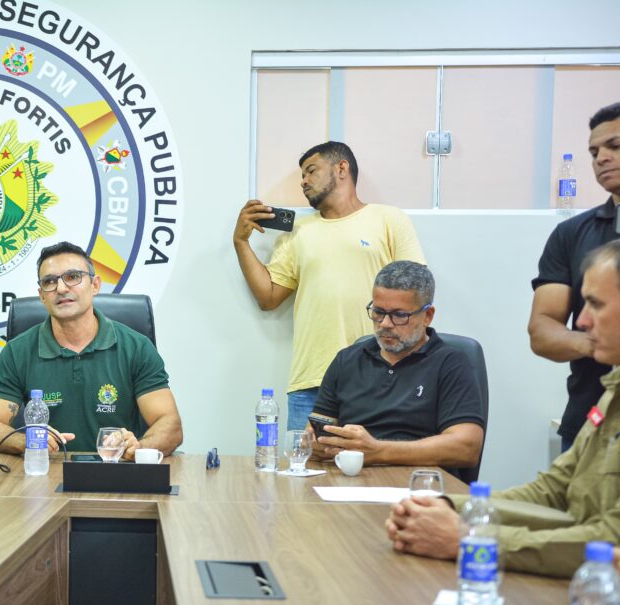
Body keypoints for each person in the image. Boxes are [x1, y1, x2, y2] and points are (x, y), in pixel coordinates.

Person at [388, 240, 620, 578]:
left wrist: (471, 539)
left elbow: (610, 538)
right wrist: (445, 505)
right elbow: (552, 490)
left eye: (595, 304)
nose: (581, 321)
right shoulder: (612, 391)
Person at [232, 141, 425, 431]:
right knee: (303, 462)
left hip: (381, 375)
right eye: (302, 176)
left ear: (342, 168)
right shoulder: (298, 231)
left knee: (380, 460)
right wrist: (240, 242)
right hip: (312, 382)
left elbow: (418, 289)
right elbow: (268, 297)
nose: (303, 181)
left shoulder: (389, 219)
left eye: (311, 171)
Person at [0, 241, 183, 459]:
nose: (61, 288)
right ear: (42, 296)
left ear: (95, 285)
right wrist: (28, 441)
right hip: (45, 472)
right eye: (49, 281)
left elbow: (170, 425)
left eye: (73, 277)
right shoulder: (17, 352)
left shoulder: (136, 347)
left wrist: (138, 448)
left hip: (116, 470)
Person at [309, 261, 484, 475]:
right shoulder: (347, 360)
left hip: (420, 484)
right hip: (350, 479)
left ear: (427, 316)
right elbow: (318, 429)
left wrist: (378, 451)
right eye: (378, 312)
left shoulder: (451, 363)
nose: (384, 323)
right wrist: (316, 443)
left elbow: (466, 448)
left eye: (399, 315)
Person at [529, 102, 620, 453]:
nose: (601, 158)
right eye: (594, 152)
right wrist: (601, 344)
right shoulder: (571, 234)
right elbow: (542, 330)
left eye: (614, 146)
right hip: (588, 419)